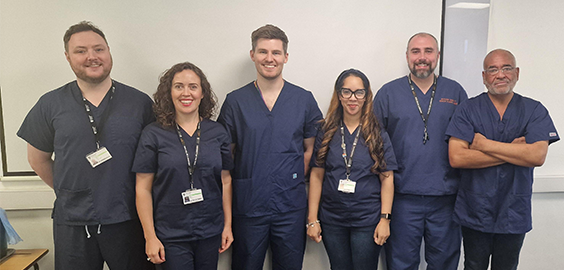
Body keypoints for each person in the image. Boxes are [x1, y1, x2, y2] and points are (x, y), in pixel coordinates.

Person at [17, 21, 154, 270]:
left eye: (99, 49)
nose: (92, 57)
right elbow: (37, 159)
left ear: (109, 52)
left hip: (127, 219)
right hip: (73, 222)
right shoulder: (50, 104)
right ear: (68, 57)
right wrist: (70, 190)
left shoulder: (140, 103)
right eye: (81, 51)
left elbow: (154, 161)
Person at [218, 24, 323, 270]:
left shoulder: (303, 99)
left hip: (290, 207)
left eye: (276, 53)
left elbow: (311, 149)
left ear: (285, 57)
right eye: (263, 52)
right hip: (248, 206)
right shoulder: (235, 102)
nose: (269, 58)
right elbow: (227, 154)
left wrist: (290, 177)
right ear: (253, 55)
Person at [446, 49, 559, 270]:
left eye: (506, 68)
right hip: (475, 209)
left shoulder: (534, 110)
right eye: (493, 69)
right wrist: (515, 152)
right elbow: (457, 157)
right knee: (473, 265)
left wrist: (485, 145)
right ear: (484, 76)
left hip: (513, 212)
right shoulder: (468, 109)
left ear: (516, 72)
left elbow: (537, 155)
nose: (500, 75)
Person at [373, 32, 468, 270]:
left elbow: (469, 141)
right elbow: (374, 145)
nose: (422, 57)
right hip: (402, 198)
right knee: (400, 263)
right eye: (416, 51)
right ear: (407, 56)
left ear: (437, 55)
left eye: (428, 51)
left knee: (445, 263)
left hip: (446, 198)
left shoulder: (455, 92)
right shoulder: (388, 93)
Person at [133, 62, 234, 270]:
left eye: (193, 87)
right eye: (178, 86)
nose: (186, 93)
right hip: (171, 234)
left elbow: (225, 181)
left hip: (210, 230)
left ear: (202, 93)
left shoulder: (217, 133)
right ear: (169, 92)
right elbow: (142, 188)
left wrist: (227, 226)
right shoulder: (153, 134)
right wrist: (150, 236)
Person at [307, 69, 397, 270]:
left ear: (366, 96)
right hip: (332, 219)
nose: (352, 98)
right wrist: (312, 219)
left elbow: (387, 177)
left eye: (359, 92)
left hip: (367, 220)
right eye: (347, 92)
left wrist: (385, 219)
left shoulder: (376, 132)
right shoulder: (326, 130)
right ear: (339, 95)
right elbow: (316, 175)